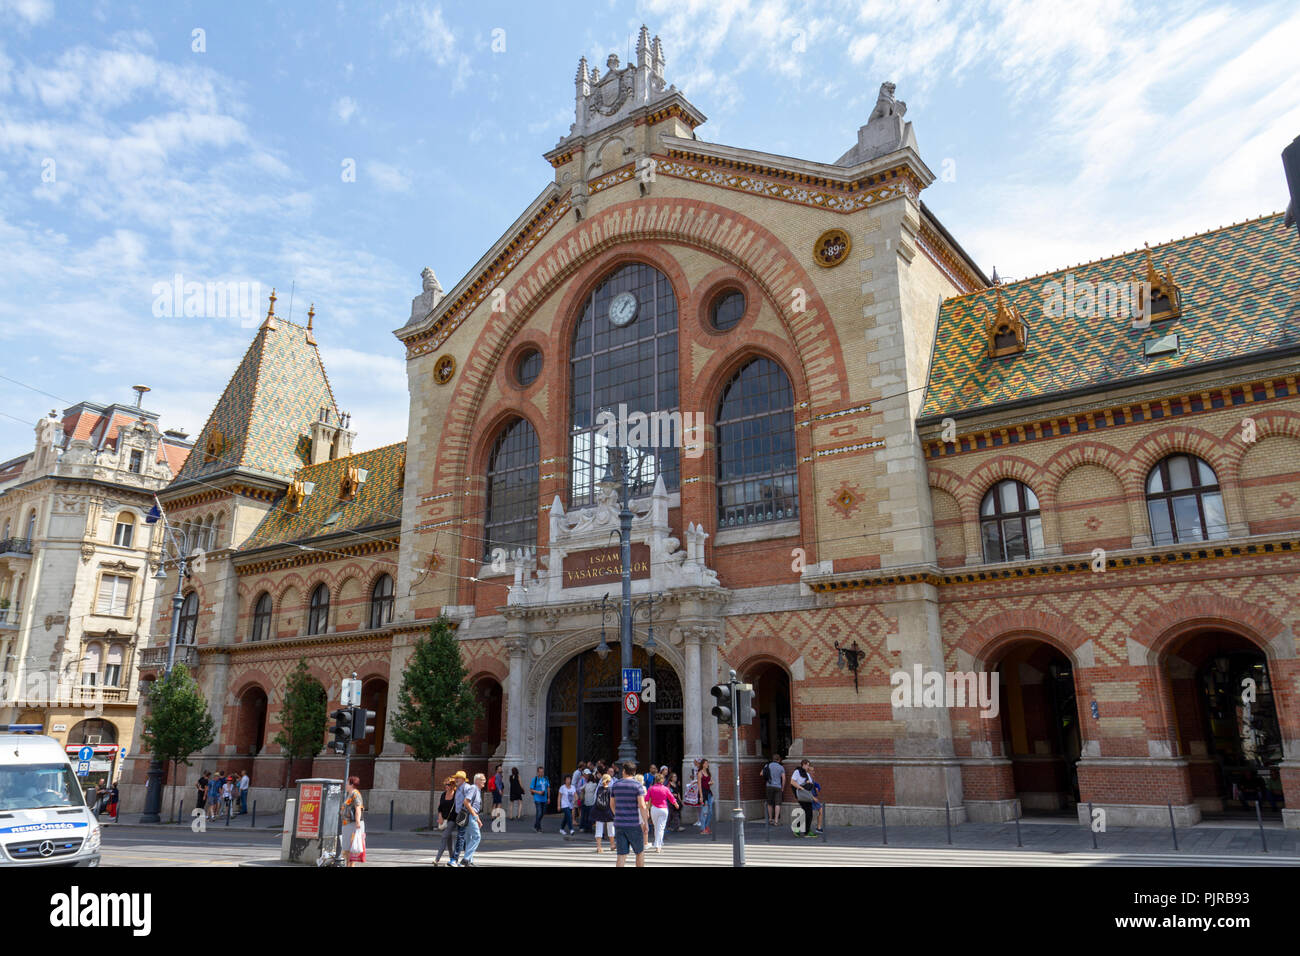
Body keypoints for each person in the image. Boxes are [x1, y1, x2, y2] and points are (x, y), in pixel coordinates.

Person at [609, 761, 649, 867]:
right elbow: (642, 805)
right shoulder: (637, 785)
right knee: (639, 852)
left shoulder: (616, 784)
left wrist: (617, 815)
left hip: (619, 824)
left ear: (624, 771)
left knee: (621, 855)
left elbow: (612, 804)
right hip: (633, 824)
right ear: (634, 772)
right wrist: (646, 822)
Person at [646, 772, 679, 852]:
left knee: (656, 827)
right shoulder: (665, 789)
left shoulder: (651, 788)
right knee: (661, 828)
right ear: (662, 780)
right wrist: (676, 804)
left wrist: (646, 808)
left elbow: (646, 799)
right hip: (663, 809)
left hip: (654, 809)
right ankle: (658, 845)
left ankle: (658, 844)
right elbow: (671, 798)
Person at [460, 773, 485, 866]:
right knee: (476, 837)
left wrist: (478, 819)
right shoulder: (474, 788)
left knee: (469, 839)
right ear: (477, 780)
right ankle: (466, 859)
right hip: (470, 816)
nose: (484, 781)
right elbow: (466, 802)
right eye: (483, 779)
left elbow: (474, 807)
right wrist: (475, 817)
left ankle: (469, 860)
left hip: (471, 815)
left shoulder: (477, 790)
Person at [434, 777, 458, 866]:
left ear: (452, 785)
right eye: (445, 784)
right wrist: (440, 816)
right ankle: (452, 859)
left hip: (452, 820)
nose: (446, 786)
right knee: (449, 840)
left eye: (448, 784)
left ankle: (437, 859)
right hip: (444, 819)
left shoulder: (456, 795)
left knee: (444, 836)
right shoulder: (443, 794)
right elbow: (440, 807)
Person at [341, 776, 365, 866]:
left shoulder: (355, 794)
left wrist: (358, 822)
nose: (345, 785)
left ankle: (350, 866)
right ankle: (349, 865)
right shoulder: (350, 794)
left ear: (351, 784)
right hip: (347, 824)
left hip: (352, 824)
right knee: (347, 849)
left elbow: (358, 808)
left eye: (347, 783)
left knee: (350, 849)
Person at [449, 770, 470, 865]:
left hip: (464, 815)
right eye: (455, 777)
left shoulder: (466, 788)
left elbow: (469, 801)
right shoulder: (458, 788)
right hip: (459, 815)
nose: (455, 779)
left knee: (460, 836)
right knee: (463, 837)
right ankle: (468, 858)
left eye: (458, 777)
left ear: (463, 779)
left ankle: (454, 859)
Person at [591, 773, 615, 853]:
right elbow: (612, 802)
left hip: (599, 811)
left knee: (598, 829)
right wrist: (614, 811)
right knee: (611, 829)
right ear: (609, 781)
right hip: (609, 811)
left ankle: (599, 847)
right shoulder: (611, 790)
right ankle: (612, 845)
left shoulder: (599, 789)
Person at [791, 760, 815, 835]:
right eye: (807, 765)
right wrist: (801, 788)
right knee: (807, 813)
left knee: (808, 813)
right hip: (801, 794)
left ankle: (801, 829)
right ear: (803, 765)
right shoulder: (797, 772)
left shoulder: (807, 774)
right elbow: (792, 782)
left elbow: (811, 783)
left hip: (806, 794)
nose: (808, 767)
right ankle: (804, 831)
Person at [764, 755, 785, 825]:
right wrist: (783, 787)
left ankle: (770, 819)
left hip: (769, 785)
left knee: (769, 803)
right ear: (779, 760)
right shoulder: (781, 767)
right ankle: (776, 821)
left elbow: (761, 773)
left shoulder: (767, 765)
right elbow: (784, 779)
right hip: (778, 786)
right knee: (777, 803)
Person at [529, 765, 549, 832]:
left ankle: (536, 825)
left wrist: (549, 797)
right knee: (539, 813)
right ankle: (538, 827)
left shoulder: (546, 778)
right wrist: (538, 792)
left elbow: (548, 788)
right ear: (537, 772)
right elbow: (531, 790)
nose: (541, 773)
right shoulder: (535, 779)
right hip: (537, 799)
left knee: (542, 813)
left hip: (544, 799)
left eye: (542, 772)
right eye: (540, 772)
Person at [697, 759, 714, 834]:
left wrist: (711, 783)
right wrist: (701, 796)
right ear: (703, 764)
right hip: (703, 793)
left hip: (709, 793)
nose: (707, 764)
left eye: (708, 763)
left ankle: (707, 826)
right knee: (704, 811)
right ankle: (702, 829)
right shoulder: (700, 773)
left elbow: (709, 782)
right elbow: (699, 785)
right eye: (706, 763)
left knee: (710, 811)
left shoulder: (708, 773)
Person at [580, 767, 599, 833]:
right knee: (590, 816)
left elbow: (581, 788)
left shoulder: (586, 784)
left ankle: (586, 827)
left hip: (586, 802)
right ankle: (590, 828)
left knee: (585, 815)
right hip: (592, 802)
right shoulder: (595, 785)